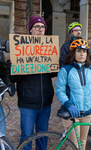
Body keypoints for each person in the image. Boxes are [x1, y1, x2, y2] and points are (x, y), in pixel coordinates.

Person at [10, 15, 57, 146]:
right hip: (28, 102)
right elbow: (14, 78)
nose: (41, 29)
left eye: (43, 27)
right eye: (37, 27)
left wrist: (54, 61)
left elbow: (53, 73)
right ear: (30, 30)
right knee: (27, 135)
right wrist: (14, 67)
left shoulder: (48, 47)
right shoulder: (20, 48)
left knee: (43, 133)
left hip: (45, 100)